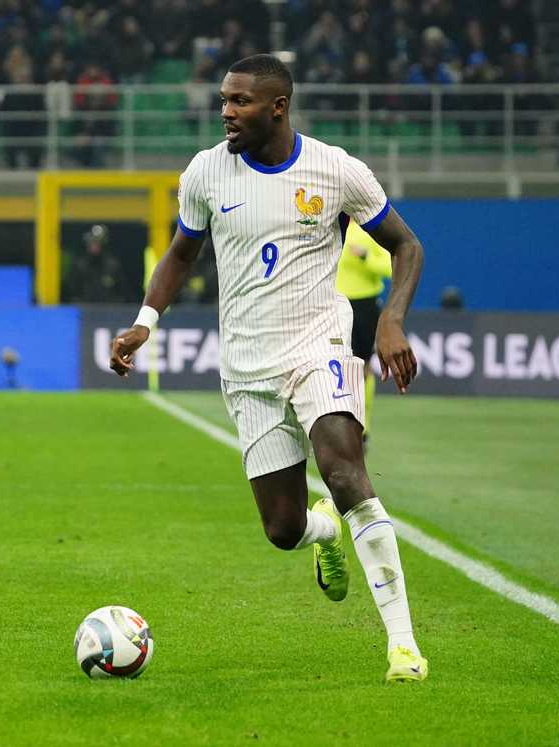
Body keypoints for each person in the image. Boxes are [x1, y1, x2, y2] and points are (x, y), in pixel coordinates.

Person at [109, 54, 428, 683]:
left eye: (240, 102)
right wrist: (146, 319)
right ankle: (323, 535)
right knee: (283, 529)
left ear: (277, 106)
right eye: (224, 101)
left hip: (320, 347)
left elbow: (406, 245)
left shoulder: (335, 170)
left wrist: (390, 319)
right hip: (248, 366)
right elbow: (180, 253)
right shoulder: (205, 173)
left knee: (345, 471)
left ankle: (403, 646)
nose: (226, 111)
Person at [336, 223, 393, 442]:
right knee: (332, 364)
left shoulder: (369, 230)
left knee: (361, 367)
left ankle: (362, 423)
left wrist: (366, 256)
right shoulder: (326, 227)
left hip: (363, 306)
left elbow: (388, 266)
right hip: (332, 303)